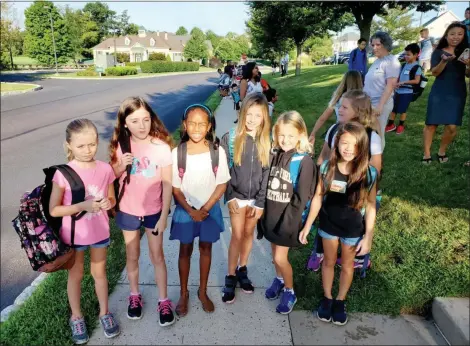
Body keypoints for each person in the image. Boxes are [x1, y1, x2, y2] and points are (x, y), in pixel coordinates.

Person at [300, 122, 378, 326]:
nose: (348, 148)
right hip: (328, 226)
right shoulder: (326, 168)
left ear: (362, 147)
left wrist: (368, 236)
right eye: (344, 143)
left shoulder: (368, 173)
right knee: (328, 261)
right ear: (337, 143)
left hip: (352, 229)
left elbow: (370, 206)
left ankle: (340, 300)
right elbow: (317, 197)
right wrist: (308, 225)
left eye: (354, 144)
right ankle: (327, 297)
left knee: (347, 265)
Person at [49, 119, 119, 344]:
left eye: (92, 144)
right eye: (81, 146)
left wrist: (108, 203)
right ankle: (76, 316)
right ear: (69, 145)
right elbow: (54, 210)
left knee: (99, 273)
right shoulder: (63, 174)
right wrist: (82, 206)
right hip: (74, 235)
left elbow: (111, 197)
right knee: (76, 275)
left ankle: (104, 313)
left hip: (99, 232)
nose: (87, 151)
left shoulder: (106, 169)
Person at [109, 97, 176, 326]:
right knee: (132, 256)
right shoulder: (121, 145)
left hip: (154, 211)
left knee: (157, 256)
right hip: (128, 210)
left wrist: (164, 215)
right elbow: (111, 178)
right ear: (125, 123)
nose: (141, 125)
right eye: (135, 120)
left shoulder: (161, 147)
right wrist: (119, 166)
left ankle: (163, 300)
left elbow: (167, 183)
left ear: (152, 119)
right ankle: (134, 295)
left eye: (146, 119)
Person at [170, 104, 231, 316]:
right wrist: (191, 210)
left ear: (209, 126)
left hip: (209, 210)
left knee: (206, 249)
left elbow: (222, 183)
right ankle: (183, 293)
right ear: (184, 125)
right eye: (192, 123)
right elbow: (175, 188)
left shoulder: (217, 151)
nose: (196, 128)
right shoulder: (177, 153)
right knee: (184, 250)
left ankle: (202, 291)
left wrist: (204, 209)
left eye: (201, 124)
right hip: (185, 211)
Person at [259, 111, 316, 315]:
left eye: (291, 135)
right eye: (281, 135)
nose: (285, 140)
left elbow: (301, 198)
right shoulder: (275, 155)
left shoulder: (303, 161)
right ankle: (280, 279)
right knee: (275, 256)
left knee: (281, 258)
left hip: (288, 221)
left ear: (301, 134)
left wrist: (289, 223)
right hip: (272, 217)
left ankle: (290, 291)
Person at [220, 93, 272, 304]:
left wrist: (260, 202)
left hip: (256, 199)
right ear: (242, 114)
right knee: (237, 235)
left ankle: (243, 269)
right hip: (237, 197)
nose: (251, 119)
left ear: (264, 118)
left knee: (249, 234)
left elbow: (267, 173)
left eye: (257, 115)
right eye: (248, 114)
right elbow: (224, 171)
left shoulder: (267, 141)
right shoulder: (230, 138)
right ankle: (231, 275)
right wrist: (230, 197)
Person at [422, 22, 470, 164]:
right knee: (431, 124)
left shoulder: (466, 51)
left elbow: (468, 74)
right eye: (452, 34)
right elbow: (435, 73)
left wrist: (468, 64)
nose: (456, 37)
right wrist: (443, 61)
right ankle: (426, 153)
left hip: (457, 91)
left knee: (452, 126)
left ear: (464, 36)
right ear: (447, 35)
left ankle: (442, 150)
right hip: (440, 90)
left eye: (460, 34)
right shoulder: (438, 51)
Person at [364, 31, 401, 150]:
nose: (374, 48)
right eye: (373, 45)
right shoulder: (377, 61)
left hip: (380, 104)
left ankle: (377, 162)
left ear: (385, 45)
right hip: (369, 103)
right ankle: (368, 158)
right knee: (367, 132)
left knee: (377, 133)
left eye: (378, 45)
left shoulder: (391, 61)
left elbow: (390, 85)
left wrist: (380, 105)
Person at [308, 70, 363, 147]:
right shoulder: (363, 99)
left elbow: (323, 118)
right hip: (358, 133)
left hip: (340, 131)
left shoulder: (338, 98)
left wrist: (313, 134)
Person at [385, 43, 422, 135]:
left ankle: (401, 125)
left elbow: (416, 81)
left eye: (408, 55)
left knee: (402, 109)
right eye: (405, 54)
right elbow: (399, 76)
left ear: (416, 55)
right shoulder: (403, 65)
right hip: (398, 91)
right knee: (394, 108)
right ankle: (390, 124)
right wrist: (396, 83)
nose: (406, 56)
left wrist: (403, 83)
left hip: (407, 92)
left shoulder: (417, 67)